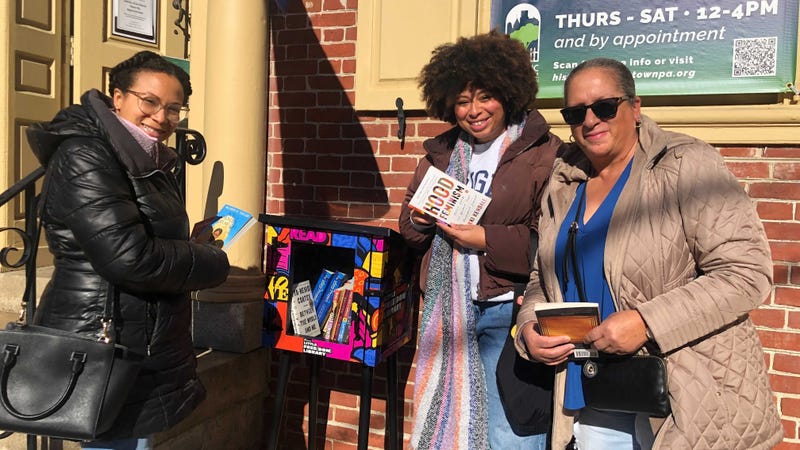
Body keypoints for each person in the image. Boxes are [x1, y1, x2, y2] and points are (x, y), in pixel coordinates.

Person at [515, 57, 783, 450]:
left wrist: (646, 322)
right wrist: (528, 330)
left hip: (685, 394)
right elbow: (544, 277)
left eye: (604, 107)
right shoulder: (565, 180)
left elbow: (745, 273)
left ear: (635, 108)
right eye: (575, 113)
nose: (589, 121)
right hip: (593, 390)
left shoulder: (685, 164)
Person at [26, 51, 231, 450]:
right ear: (117, 97)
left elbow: (143, 239)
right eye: (149, 102)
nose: (162, 117)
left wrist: (189, 244)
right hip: (103, 333)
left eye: (174, 109)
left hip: (140, 334)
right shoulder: (86, 155)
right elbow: (129, 257)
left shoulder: (146, 159)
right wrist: (212, 262)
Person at [399, 31, 560, 449]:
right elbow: (411, 234)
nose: (474, 111)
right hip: (448, 312)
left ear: (509, 92)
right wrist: (420, 220)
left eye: (485, 96)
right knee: (451, 429)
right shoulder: (440, 154)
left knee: (511, 434)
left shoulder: (545, 153)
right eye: (462, 100)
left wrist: (484, 237)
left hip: (510, 311)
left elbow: (551, 241)